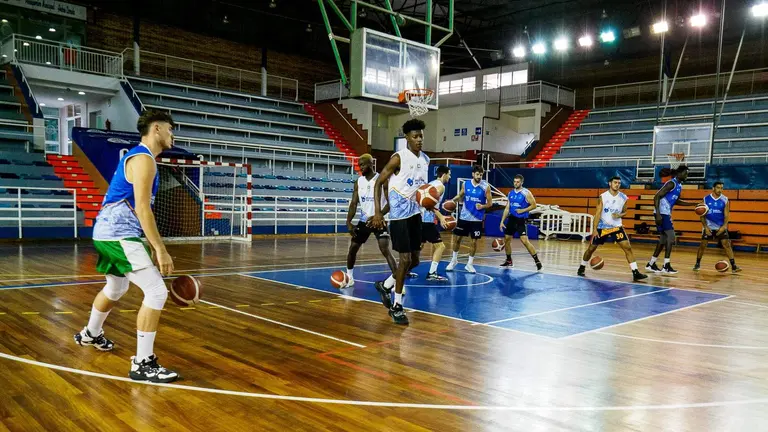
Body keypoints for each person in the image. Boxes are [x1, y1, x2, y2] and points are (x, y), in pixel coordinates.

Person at [74, 110, 178, 383]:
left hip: (105, 232)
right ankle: (142, 364)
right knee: (156, 291)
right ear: (156, 128)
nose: (172, 135)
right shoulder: (144, 159)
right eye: (169, 129)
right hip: (118, 234)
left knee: (116, 287)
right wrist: (160, 249)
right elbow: (143, 209)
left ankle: (90, 333)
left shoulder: (139, 157)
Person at [370, 119, 430, 325]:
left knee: (415, 261)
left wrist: (431, 205)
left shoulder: (426, 160)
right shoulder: (398, 158)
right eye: (415, 136)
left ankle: (386, 284)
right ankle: (397, 306)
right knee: (404, 260)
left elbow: (423, 190)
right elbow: (378, 182)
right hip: (399, 216)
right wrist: (378, 213)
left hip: (415, 215)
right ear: (406, 138)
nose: (419, 140)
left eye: (421, 136)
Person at [578, 176, 648, 281]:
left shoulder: (623, 197)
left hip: (616, 227)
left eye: (619, 183)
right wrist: (594, 229)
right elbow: (597, 213)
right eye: (615, 182)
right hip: (602, 227)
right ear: (610, 183)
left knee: (627, 248)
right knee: (591, 249)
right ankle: (582, 267)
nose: (617, 184)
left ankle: (635, 272)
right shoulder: (603, 196)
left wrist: (619, 215)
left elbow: (625, 211)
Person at [344, 154, 398, 287]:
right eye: (359, 165)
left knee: (385, 249)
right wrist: (348, 221)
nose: (361, 167)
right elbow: (354, 203)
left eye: (363, 164)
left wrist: (378, 215)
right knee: (353, 248)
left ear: (371, 164)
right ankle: (350, 277)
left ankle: (398, 284)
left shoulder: (382, 179)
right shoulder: (358, 182)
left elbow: (390, 203)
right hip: (365, 220)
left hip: (380, 220)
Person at [646, 165, 698, 274]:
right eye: (685, 173)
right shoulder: (671, 183)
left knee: (663, 239)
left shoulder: (679, 185)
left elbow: (676, 201)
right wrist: (659, 214)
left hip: (665, 213)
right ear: (679, 173)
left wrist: (693, 204)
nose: (687, 176)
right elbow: (656, 197)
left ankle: (651, 264)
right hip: (662, 214)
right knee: (671, 236)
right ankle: (666, 265)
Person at [446, 165, 493, 274]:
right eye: (477, 174)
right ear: (473, 174)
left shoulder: (486, 187)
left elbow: (490, 203)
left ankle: (469, 264)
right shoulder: (466, 184)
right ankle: (453, 260)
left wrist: (482, 206)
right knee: (457, 239)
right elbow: (460, 196)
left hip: (477, 218)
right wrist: (451, 201)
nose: (479, 176)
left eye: (481, 175)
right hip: (464, 217)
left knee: (474, 242)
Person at [694, 181, 741, 273]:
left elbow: (727, 215)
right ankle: (697, 263)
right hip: (708, 227)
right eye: (718, 187)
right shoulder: (706, 199)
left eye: (721, 188)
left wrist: (724, 226)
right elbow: (702, 215)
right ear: (713, 188)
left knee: (727, 245)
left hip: (720, 227)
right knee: (702, 245)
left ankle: (734, 266)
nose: (720, 190)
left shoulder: (725, 199)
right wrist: (705, 227)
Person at [499, 174, 542, 270]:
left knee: (525, 241)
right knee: (506, 239)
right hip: (512, 219)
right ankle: (509, 260)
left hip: (521, 220)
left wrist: (522, 210)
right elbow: (507, 208)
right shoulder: (510, 193)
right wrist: (502, 221)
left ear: (522, 182)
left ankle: (537, 261)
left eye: (518, 182)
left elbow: (534, 205)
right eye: (514, 181)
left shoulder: (526, 193)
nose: (515, 183)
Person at [420, 165, 451, 282]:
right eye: (449, 174)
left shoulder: (431, 183)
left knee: (419, 246)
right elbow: (429, 203)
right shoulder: (441, 187)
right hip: (427, 220)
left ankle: (406, 270)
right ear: (444, 175)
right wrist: (441, 217)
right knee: (440, 246)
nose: (450, 176)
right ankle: (432, 273)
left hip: (420, 218)